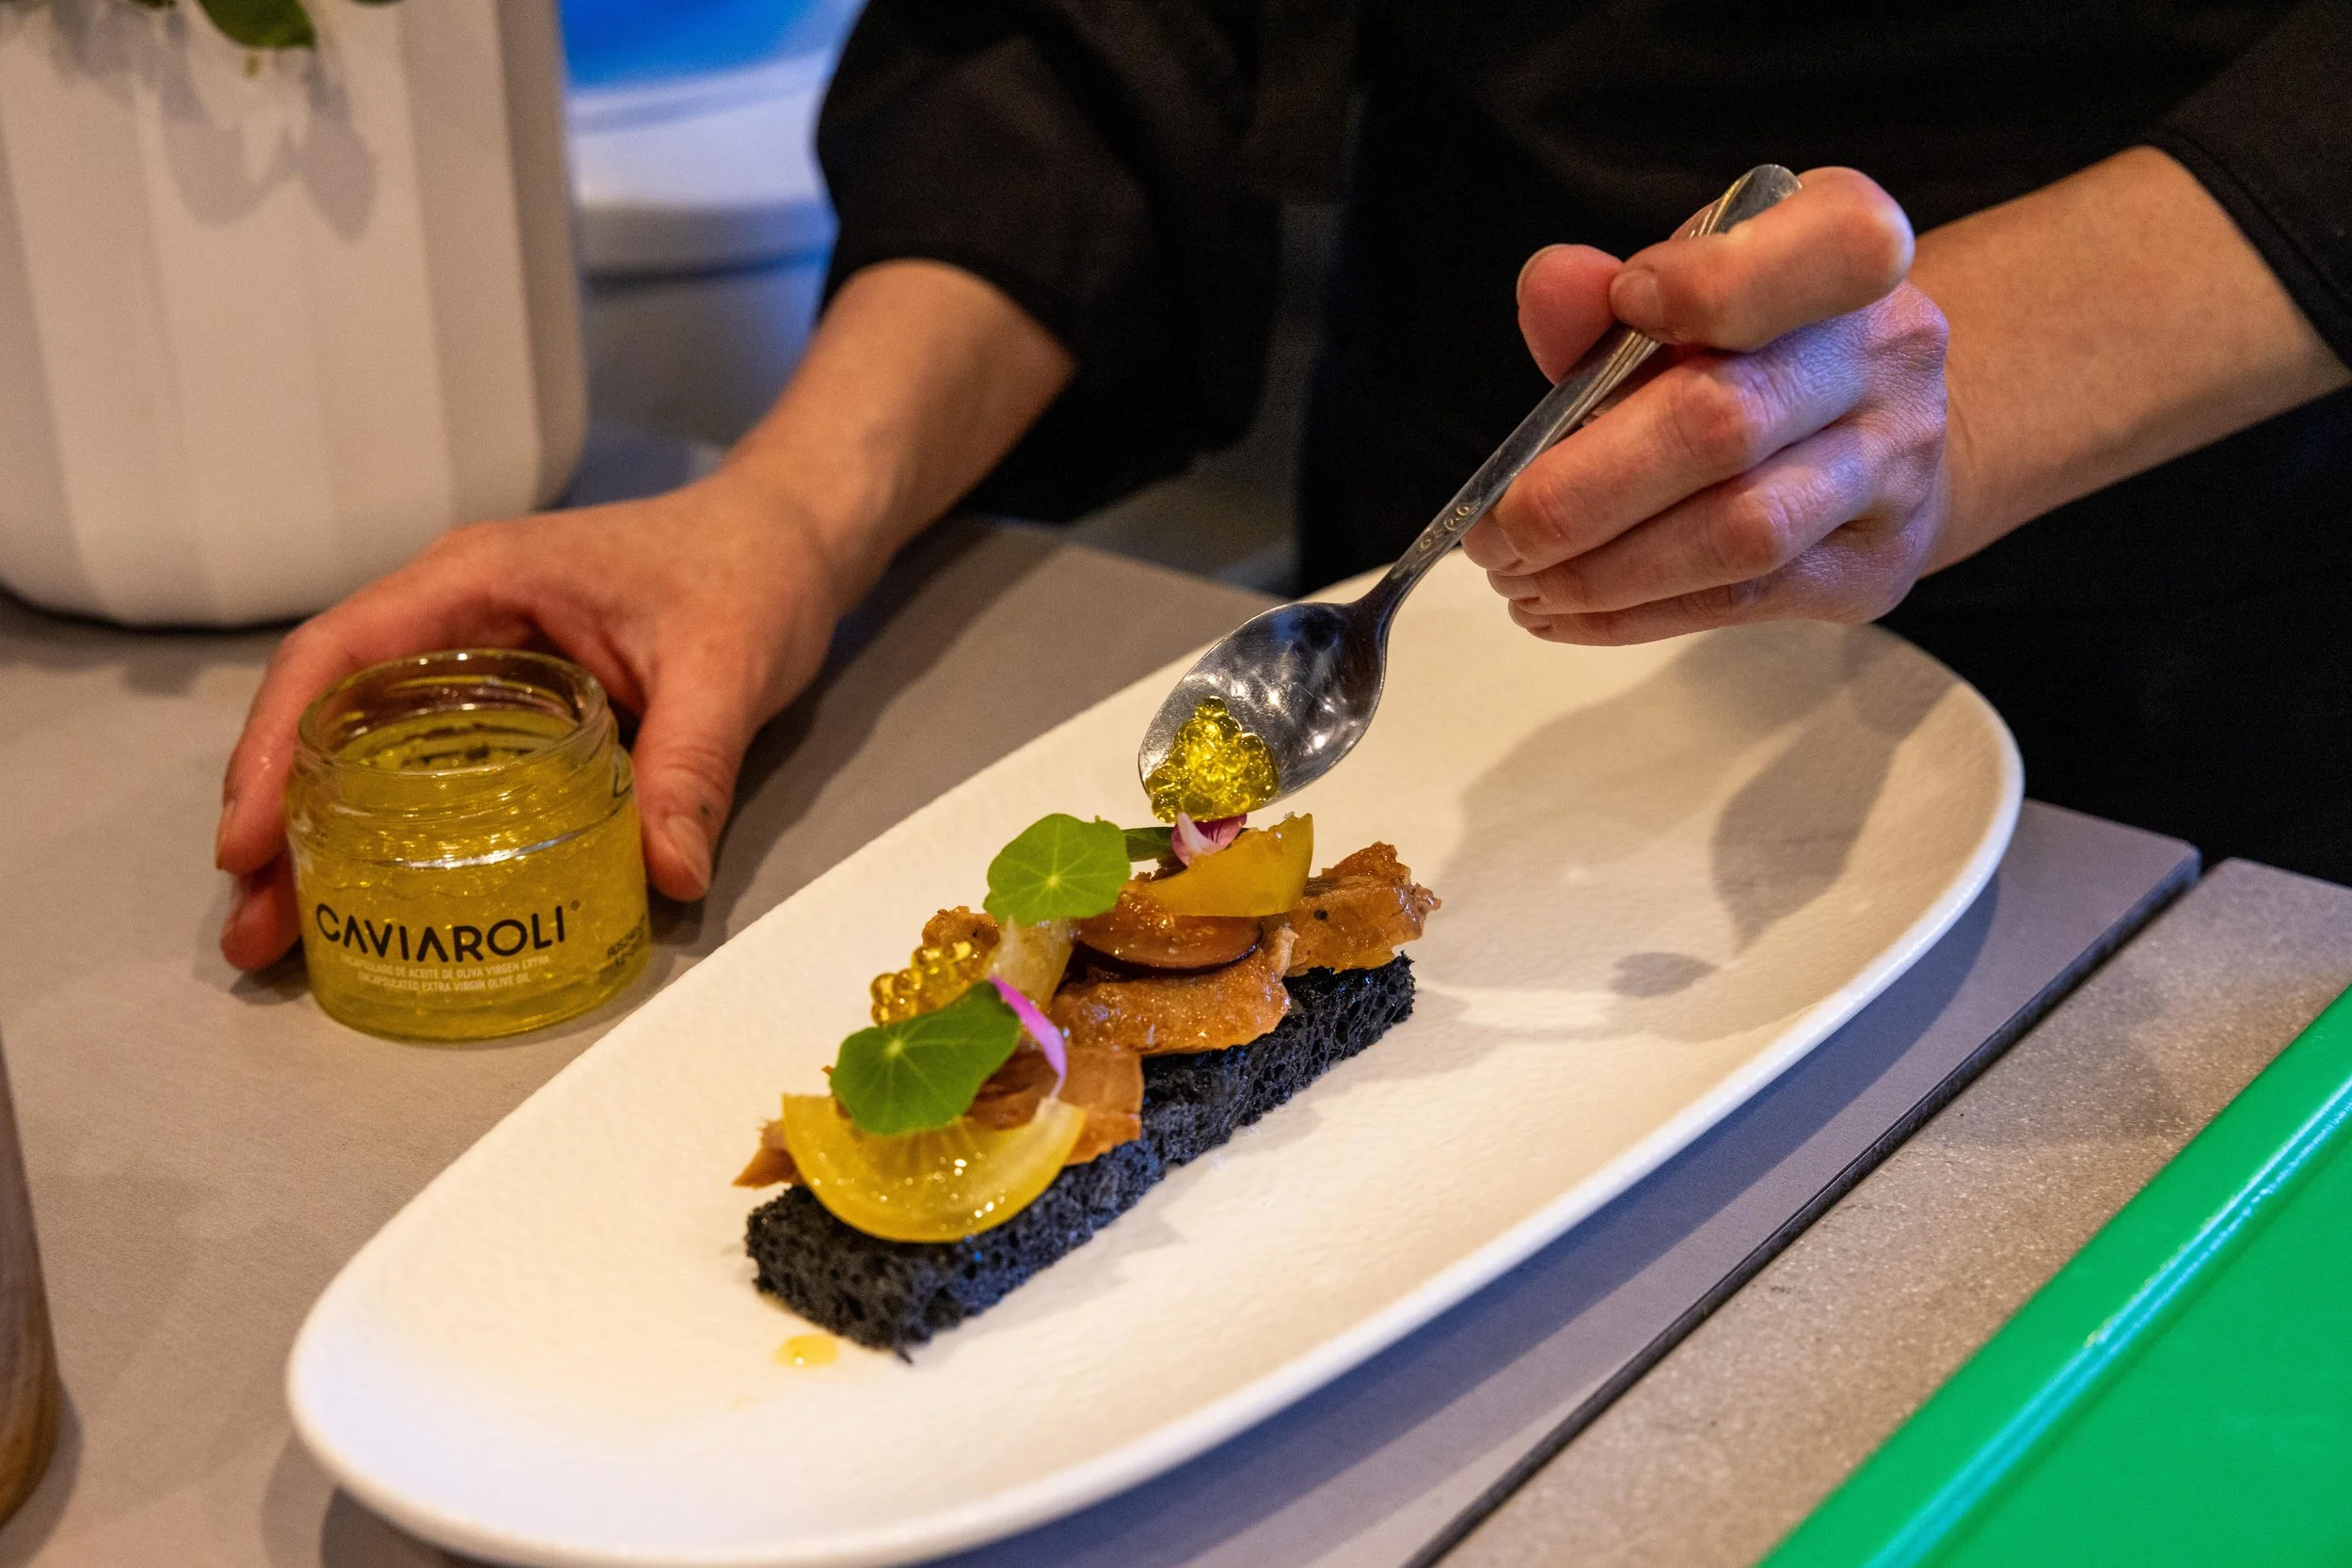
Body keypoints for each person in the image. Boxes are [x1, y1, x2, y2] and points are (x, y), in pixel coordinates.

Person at [216, 0, 2352, 971]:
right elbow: (1093, 33)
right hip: (1476, 531)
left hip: (2228, 660)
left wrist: (1962, 379)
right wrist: (787, 504)